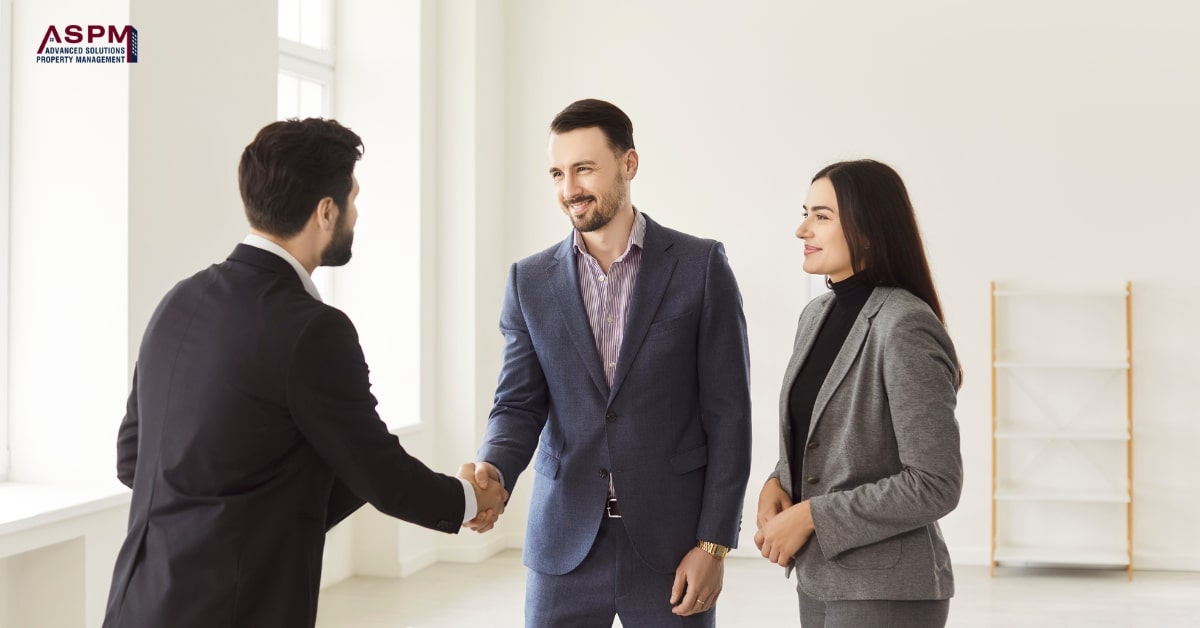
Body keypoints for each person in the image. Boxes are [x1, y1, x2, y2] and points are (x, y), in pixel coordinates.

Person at [102, 118, 508, 628]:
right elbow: (378, 473)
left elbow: (132, 458)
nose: (355, 214)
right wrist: (470, 499)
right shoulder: (313, 329)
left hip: (135, 604)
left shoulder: (179, 300)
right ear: (325, 211)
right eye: (352, 200)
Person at [465, 99, 752, 626]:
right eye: (557, 173)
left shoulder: (700, 267)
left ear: (629, 164)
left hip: (672, 545)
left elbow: (729, 416)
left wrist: (713, 543)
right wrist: (494, 468)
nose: (569, 188)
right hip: (564, 543)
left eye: (584, 168)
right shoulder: (529, 281)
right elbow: (517, 404)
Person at [754, 159, 963, 627]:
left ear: (867, 231)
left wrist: (811, 516)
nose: (802, 229)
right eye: (805, 213)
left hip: (887, 591)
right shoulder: (816, 314)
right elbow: (822, 436)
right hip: (819, 578)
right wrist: (776, 481)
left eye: (822, 216)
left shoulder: (904, 324)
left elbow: (936, 483)